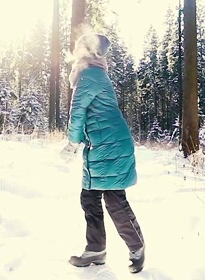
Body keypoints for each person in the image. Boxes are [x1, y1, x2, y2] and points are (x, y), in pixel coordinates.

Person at [60, 33, 145, 274]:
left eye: (79, 47)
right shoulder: (90, 74)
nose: (75, 50)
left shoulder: (90, 75)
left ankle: (137, 247)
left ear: (89, 51)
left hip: (111, 147)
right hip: (101, 146)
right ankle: (95, 250)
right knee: (89, 197)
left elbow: (78, 113)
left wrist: (71, 143)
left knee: (114, 199)